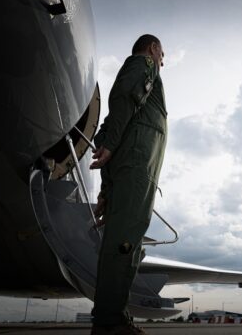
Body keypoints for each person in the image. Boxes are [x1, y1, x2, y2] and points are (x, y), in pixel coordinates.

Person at [90, 34, 167, 335]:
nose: (163, 60)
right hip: (137, 168)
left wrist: (106, 192)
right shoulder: (144, 64)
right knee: (125, 241)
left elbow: (112, 127)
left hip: (134, 168)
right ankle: (110, 321)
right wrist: (109, 145)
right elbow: (124, 97)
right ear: (152, 48)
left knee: (125, 239)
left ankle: (113, 317)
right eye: (162, 53)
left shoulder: (142, 95)